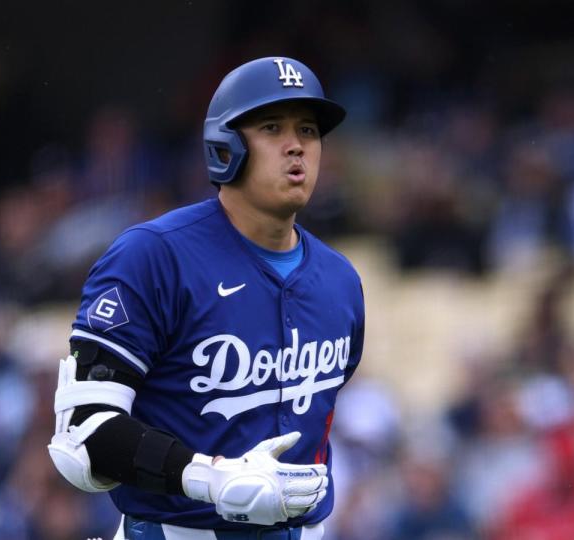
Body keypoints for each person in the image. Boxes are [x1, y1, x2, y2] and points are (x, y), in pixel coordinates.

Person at [49, 56, 365, 540]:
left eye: (308, 129)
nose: (296, 146)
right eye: (272, 127)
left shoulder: (340, 280)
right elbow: (84, 435)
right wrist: (211, 478)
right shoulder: (153, 256)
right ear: (226, 145)